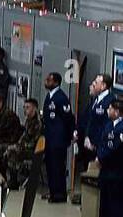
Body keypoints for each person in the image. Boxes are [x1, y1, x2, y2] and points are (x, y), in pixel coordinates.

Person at [75, 73, 115, 205]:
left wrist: (95, 143)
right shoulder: (95, 99)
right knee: (88, 172)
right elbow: (89, 121)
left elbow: (106, 126)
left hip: (98, 146)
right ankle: (87, 200)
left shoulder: (110, 102)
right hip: (88, 143)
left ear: (103, 86)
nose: (93, 84)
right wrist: (84, 136)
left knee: (97, 176)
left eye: (96, 82)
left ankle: (93, 203)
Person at [41, 71, 74, 203]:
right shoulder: (49, 96)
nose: (46, 82)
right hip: (49, 138)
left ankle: (60, 194)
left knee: (57, 167)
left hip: (58, 140)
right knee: (50, 166)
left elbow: (68, 118)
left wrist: (69, 136)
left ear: (55, 82)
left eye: (49, 80)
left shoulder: (61, 98)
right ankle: (53, 191)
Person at [96, 100, 123, 217]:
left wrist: (102, 158)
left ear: (117, 112)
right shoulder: (108, 125)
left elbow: (114, 148)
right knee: (104, 198)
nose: (107, 110)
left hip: (116, 169)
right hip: (105, 168)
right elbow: (102, 143)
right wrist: (99, 157)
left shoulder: (121, 128)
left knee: (115, 200)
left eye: (110, 109)